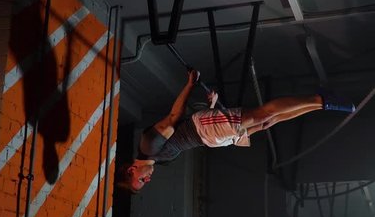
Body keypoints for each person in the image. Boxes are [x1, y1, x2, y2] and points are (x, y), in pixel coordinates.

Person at [115, 69, 356, 193]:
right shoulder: (160, 159)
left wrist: (190, 84)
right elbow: (182, 131)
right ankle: (319, 104)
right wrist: (211, 105)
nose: (147, 179)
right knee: (267, 123)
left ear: (131, 169)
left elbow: (174, 116)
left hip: (204, 129)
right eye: (145, 183)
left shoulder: (148, 146)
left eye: (141, 180)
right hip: (210, 138)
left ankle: (322, 99)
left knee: (263, 114)